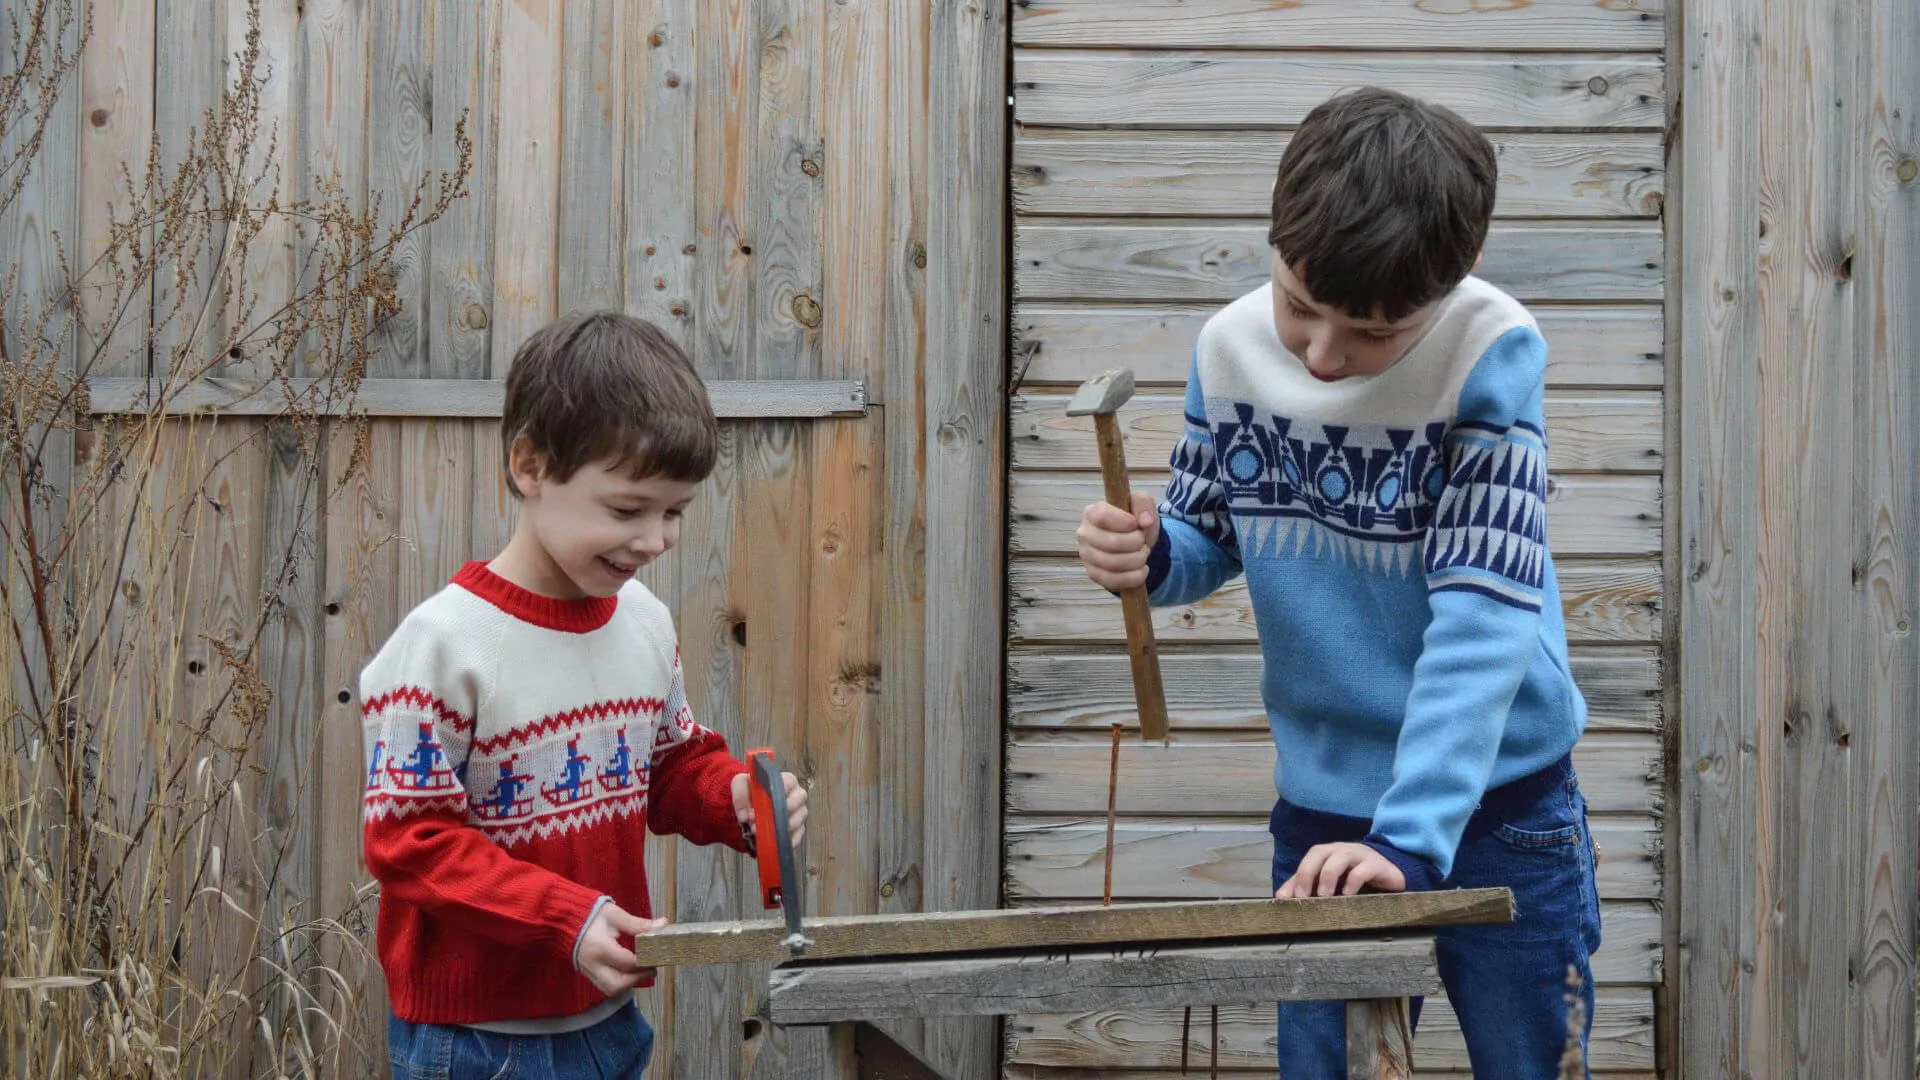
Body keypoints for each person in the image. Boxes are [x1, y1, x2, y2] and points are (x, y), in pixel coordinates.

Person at [1075, 87, 1601, 1078]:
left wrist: (1409, 838)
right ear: (1274, 238)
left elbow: (1485, 612)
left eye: (1369, 335)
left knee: (1530, 1061)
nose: (1321, 357)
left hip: (1501, 806)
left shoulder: (1491, 353)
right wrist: (1148, 556)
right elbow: (1208, 534)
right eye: (1300, 308)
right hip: (1323, 807)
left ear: (1454, 281)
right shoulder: (1228, 347)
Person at [360, 310, 809, 1078]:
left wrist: (733, 798)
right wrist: (566, 919)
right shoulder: (443, 646)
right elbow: (410, 843)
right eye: (627, 509)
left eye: (674, 512)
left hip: (609, 1022)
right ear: (531, 466)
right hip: (478, 1042)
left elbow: (666, 768)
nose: (655, 538)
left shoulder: (643, 623)